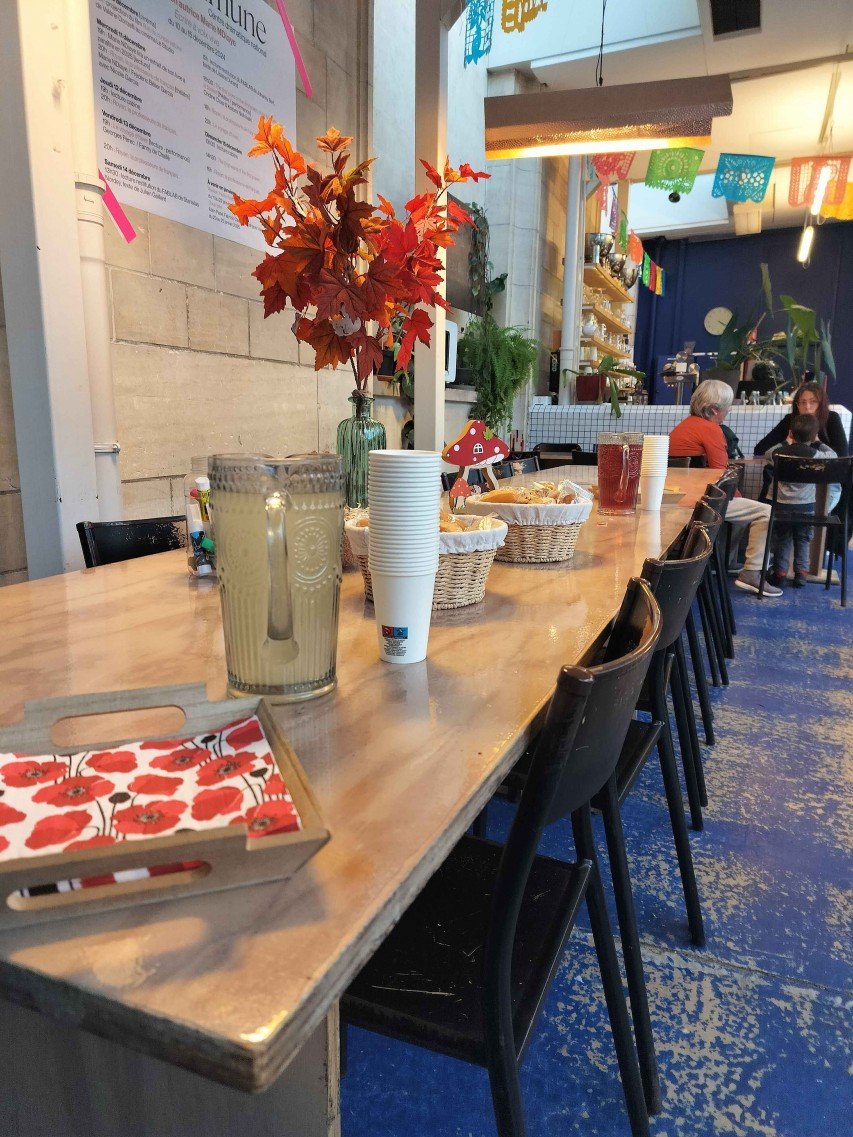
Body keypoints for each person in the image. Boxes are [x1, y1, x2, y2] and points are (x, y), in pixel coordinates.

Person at [669, 379, 782, 597]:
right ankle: (751, 572)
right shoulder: (711, 430)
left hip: (675, 502)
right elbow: (722, 476)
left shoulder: (681, 428)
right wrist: (737, 495)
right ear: (714, 410)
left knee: (740, 507)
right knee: (765, 512)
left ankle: (729, 562)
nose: (728, 411)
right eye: (727, 407)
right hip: (701, 504)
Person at [764, 414, 839, 588]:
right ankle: (801, 575)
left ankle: (780, 574)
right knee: (803, 539)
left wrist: (786, 441)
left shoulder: (779, 453)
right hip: (806, 507)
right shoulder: (816, 455)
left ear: (791, 433)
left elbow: (767, 453)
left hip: (781, 505)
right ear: (813, 436)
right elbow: (833, 456)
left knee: (783, 539)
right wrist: (818, 442)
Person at [753, 381, 849, 457]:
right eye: (803, 402)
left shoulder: (832, 418)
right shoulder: (790, 420)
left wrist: (816, 444)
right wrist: (786, 443)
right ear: (797, 405)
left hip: (824, 472)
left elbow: (842, 454)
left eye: (813, 402)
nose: (807, 407)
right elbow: (760, 449)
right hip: (793, 472)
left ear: (821, 404)